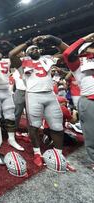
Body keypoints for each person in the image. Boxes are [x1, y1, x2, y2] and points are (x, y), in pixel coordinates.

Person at [9, 35, 68, 167]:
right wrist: (28, 42)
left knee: (57, 126)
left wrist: (54, 40)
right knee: (34, 125)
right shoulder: (22, 62)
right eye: (32, 49)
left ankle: (59, 155)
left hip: (50, 95)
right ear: (27, 52)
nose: (35, 50)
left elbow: (67, 52)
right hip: (33, 95)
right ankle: (37, 153)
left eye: (36, 48)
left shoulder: (47, 59)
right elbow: (11, 54)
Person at [63, 33, 94, 171]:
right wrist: (85, 39)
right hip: (89, 100)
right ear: (84, 50)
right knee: (91, 134)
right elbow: (67, 52)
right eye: (92, 47)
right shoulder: (77, 63)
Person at [0, 41, 24, 151]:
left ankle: (11, 139)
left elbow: (15, 54)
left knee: (10, 116)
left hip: (6, 91)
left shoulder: (8, 60)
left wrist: (8, 44)